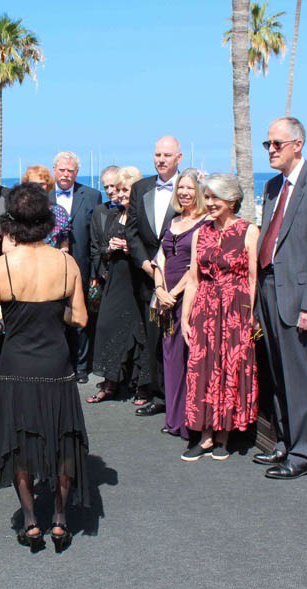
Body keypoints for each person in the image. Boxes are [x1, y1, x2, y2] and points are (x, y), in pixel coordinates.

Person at [0, 182, 90, 554]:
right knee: (61, 438)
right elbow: (80, 318)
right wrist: (50, 313)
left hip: (16, 364)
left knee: (20, 440)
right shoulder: (66, 262)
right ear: (47, 222)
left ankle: (31, 522)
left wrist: (10, 321)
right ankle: (59, 520)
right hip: (56, 362)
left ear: (11, 224)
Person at [254, 117, 307, 480]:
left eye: (277, 144)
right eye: (267, 144)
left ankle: (304, 455)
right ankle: (285, 442)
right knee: (277, 372)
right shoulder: (274, 186)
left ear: (298, 144)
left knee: (300, 376)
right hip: (270, 289)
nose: (271, 150)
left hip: (299, 298)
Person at [180, 174, 259, 461]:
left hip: (236, 309)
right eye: (208, 197)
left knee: (230, 369)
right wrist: (186, 318)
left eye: (214, 198)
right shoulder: (201, 232)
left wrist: (250, 318)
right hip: (206, 307)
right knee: (202, 369)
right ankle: (205, 436)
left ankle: (224, 435)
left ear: (231, 200)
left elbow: (252, 279)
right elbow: (193, 278)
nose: (209, 203)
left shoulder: (249, 231)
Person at [125, 136, 180, 414]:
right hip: (148, 277)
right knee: (154, 337)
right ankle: (160, 397)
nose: (161, 159)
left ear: (178, 158)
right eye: (157, 154)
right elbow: (131, 231)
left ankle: (180, 397)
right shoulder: (140, 188)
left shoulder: (189, 187)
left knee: (179, 338)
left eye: (167, 155)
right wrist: (146, 264)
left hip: (181, 279)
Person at [153, 168, 208, 439]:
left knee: (189, 358)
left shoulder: (206, 222)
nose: (184, 193)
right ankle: (172, 418)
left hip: (189, 297)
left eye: (189, 188)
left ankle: (189, 421)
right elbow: (160, 257)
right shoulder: (173, 220)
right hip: (165, 297)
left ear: (199, 191)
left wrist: (173, 293)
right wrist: (159, 288)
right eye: (181, 188)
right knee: (170, 357)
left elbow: (196, 266)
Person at [88, 167, 146, 403]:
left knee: (138, 332)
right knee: (106, 328)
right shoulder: (114, 215)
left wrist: (128, 248)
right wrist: (110, 248)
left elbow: (149, 247)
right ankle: (109, 382)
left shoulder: (141, 215)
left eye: (124, 190)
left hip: (136, 278)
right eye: (116, 189)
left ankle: (141, 387)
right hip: (115, 278)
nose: (119, 194)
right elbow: (101, 248)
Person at [51, 151, 102, 383]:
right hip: (50, 269)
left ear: (76, 173)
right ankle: (61, 364)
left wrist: (94, 272)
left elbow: (96, 237)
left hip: (81, 265)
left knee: (80, 318)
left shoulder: (92, 195)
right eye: (62, 169)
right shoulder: (43, 197)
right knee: (55, 318)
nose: (66, 174)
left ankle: (81, 367)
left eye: (70, 170)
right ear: (54, 170)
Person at [22, 165, 70, 250]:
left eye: (42, 184)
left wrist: (62, 253)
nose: (38, 188)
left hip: (53, 260)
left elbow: (64, 242)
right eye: (33, 184)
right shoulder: (18, 211)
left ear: (48, 185)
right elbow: (7, 245)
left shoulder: (59, 211)